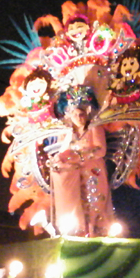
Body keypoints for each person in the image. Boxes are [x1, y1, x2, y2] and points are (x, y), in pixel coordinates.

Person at [49, 87, 113, 236]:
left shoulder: (94, 128)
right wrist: (58, 159)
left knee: (93, 201)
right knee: (78, 201)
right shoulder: (68, 134)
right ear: (69, 116)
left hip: (93, 171)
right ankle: (79, 230)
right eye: (75, 115)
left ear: (87, 113)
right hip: (74, 173)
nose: (79, 118)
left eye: (81, 114)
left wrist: (80, 156)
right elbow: (62, 152)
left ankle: (95, 230)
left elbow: (101, 150)